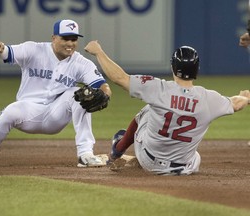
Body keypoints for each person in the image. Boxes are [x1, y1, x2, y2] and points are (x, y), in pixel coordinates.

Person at [84, 41, 250, 175]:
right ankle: (143, 161)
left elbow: (119, 78)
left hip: (149, 161)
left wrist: (98, 52)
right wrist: (245, 97)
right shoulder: (209, 98)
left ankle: (117, 150)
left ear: (173, 67)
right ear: (197, 70)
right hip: (187, 167)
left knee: (148, 111)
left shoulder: (158, 88)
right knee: (195, 155)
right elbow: (236, 103)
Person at [0, 19, 112, 168]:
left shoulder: (81, 62)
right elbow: (7, 53)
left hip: (56, 115)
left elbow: (102, 86)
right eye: (65, 38)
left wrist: (105, 94)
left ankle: (85, 154)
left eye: (73, 39)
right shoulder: (34, 50)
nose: (70, 43)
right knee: (9, 111)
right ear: (54, 38)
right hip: (28, 111)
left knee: (80, 94)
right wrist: (0, 49)